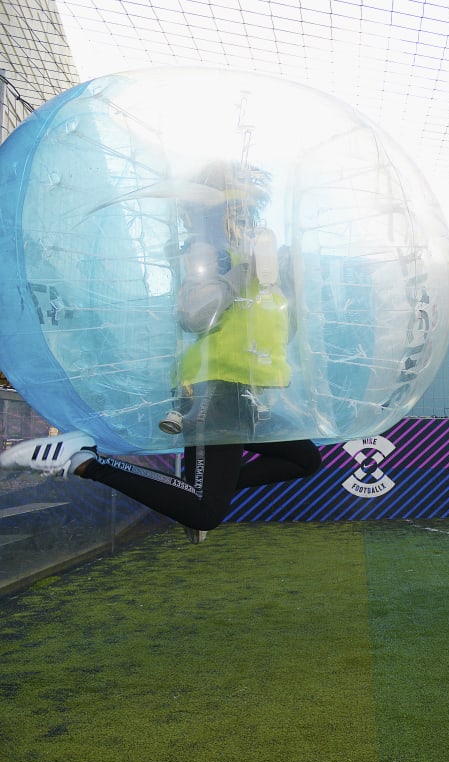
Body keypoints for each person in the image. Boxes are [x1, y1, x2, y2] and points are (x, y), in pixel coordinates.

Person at [0, 161, 321, 543]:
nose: (244, 215)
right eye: (234, 205)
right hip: (215, 390)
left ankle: (187, 490)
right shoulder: (210, 252)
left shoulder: (255, 254)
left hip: (245, 393)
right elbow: (194, 315)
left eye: (247, 207)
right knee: (206, 511)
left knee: (302, 459)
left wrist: (287, 284)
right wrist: (240, 274)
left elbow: (278, 330)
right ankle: (85, 460)